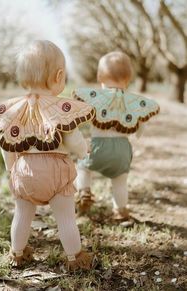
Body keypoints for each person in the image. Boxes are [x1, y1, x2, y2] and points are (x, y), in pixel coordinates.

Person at [0, 40, 95, 270]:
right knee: (65, 217)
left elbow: (7, 145)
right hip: (56, 172)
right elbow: (73, 139)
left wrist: (11, 169)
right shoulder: (59, 109)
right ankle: (75, 258)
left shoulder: (14, 109)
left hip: (24, 171)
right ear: (59, 76)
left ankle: (17, 253)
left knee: (22, 214)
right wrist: (84, 151)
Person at [73, 51, 160, 220]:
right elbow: (141, 125)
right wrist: (139, 133)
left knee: (83, 166)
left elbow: (81, 117)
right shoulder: (132, 100)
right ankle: (120, 211)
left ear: (99, 76)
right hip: (122, 150)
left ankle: (84, 191)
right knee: (120, 181)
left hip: (98, 146)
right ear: (129, 78)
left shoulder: (95, 98)